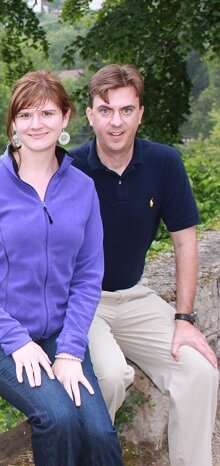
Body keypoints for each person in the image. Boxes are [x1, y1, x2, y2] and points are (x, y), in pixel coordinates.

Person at [0, 70, 123, 466]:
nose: (36, 124)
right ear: (13, 124)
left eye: (46, 113)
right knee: (58, 418)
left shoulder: (82, 188)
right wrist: (17, 341)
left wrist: (70, 350)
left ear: (65, 118)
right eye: (25, 115)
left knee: (98, 431)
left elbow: (87, 275)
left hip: (57, 333)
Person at [70, 64, 219, 466]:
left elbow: (186, 242)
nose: (115, 122)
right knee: (111, 375)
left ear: (140, 113)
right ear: (90, 115)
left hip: (136, 297)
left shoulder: (164, 163)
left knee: (200, 372)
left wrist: (184, 318)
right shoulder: (69, 168)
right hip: (84, 301)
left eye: (125, 110)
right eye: (105, 110)